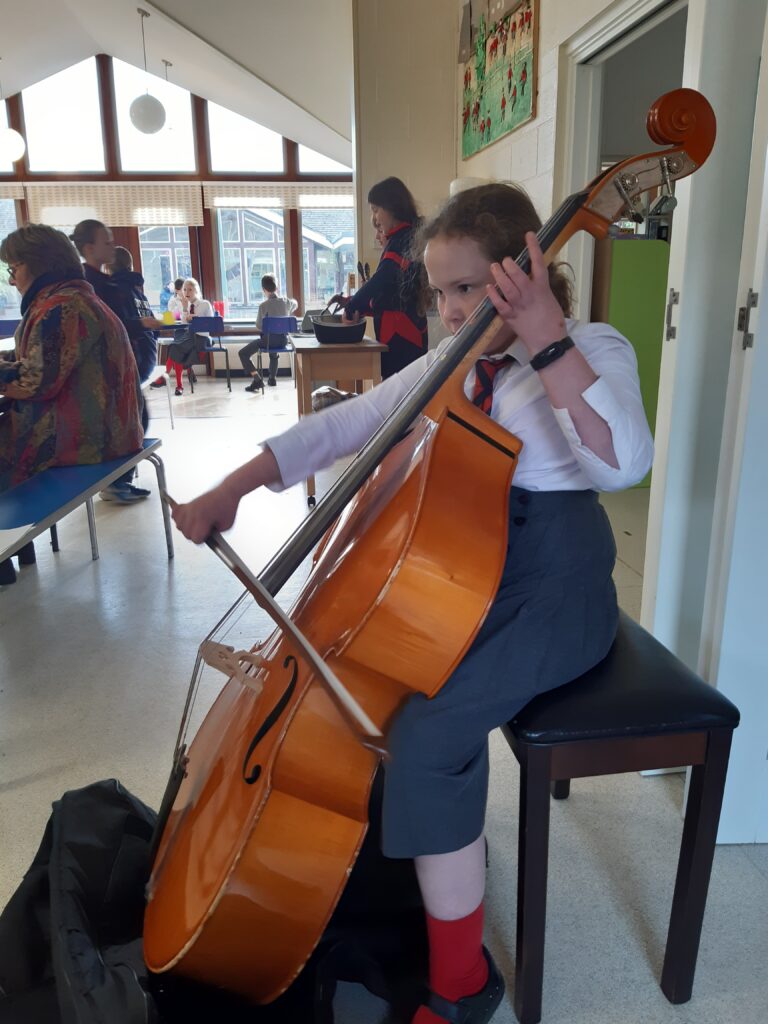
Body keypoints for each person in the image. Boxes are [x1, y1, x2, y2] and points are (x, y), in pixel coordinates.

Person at [169, 184, 654, 1024]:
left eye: (467, 288)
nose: (450, 310)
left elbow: (625, 464)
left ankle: (464, 985)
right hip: (462, 577)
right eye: (439, 294)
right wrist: (238, 484)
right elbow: (349, 424)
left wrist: (544, 338)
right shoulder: (456, 364)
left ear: (527, 271)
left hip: (554, 586)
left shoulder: (593, 348)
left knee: (427, 732)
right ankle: (416, 864)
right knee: (368, 690)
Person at [0, 225, 144, 582]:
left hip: (87, 438)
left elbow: (35, 380)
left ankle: (6, 556)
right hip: (106, 429)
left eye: (13, 269)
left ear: (36, 265)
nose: (12, 280)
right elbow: (38, 361)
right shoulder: (74, 298)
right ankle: (15, 552)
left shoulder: (61, 307)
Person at [71, 219, 156, 501]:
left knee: (137, 416)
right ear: (89, 247)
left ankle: (119, 480)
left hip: (123, 359)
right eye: (106, 241)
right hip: (108, 365)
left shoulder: (104, 282)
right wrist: (142, 324)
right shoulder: (88, 285)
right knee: (132, 418)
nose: (112, 246)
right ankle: (115, 482)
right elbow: (109, 326)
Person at [333, 176, 428, 379]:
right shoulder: (404, 238)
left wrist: (353, 306)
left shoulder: (403, 240)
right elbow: (387, 292)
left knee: (401, 393)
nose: (374, 219)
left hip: (402, 334)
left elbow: (382, 279)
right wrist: (353, 302)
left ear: (392, 207)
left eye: (376, 210)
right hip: (401, 331)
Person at [106, 246, 161, 384]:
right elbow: (155, 328)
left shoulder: (113, 292)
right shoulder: (140, 294)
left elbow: (116, 329)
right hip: (149, 355)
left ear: (107, 267)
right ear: (130, 265)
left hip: (133, 360)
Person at [150, 278, 213, 396]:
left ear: (196, 290)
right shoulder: (185, 304)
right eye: (185, 290)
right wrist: (184, 308)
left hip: (201, 337)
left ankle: (165, 378)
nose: (187, 292)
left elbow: (210, 323)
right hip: (188, 335)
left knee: (176, 347)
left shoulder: (205, 304)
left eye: (190, 289)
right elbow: (183, 321)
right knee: (175, 347)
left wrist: (195, 318)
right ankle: (173, 381)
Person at [239, 274, 297, 391]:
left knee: (243, 353)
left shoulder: (263, 306)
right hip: (283, 341)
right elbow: (295, 304)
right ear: (277, 288)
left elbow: (259, 325)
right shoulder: (286, 302)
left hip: (268, 341)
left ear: (264, 290)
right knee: (273, 348)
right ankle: (272, 378)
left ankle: (257, 379)